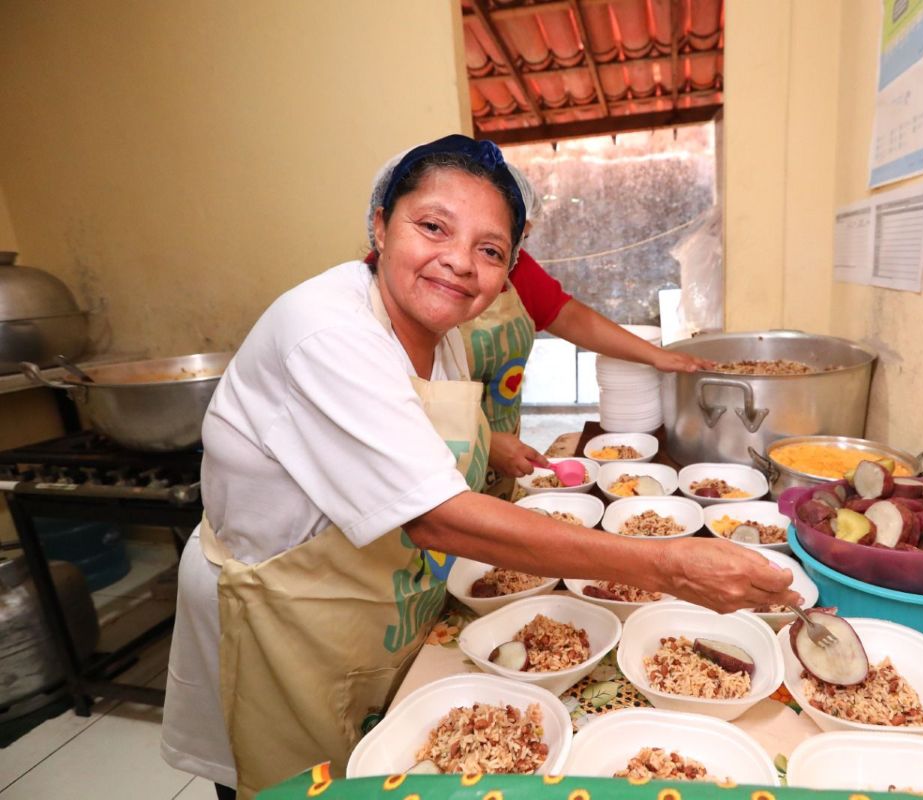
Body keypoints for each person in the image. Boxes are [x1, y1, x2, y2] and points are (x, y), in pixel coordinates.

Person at [160, 135, 797, 799]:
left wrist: (491, 443)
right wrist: (668, 567)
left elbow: (414, 435)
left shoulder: (445, 336)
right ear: (379, 224)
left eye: (489, 250)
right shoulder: (325, 331)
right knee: (294, 783)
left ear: (510, 269)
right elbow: (438, 518)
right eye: (433, 227)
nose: (460, 263)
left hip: (373, 602)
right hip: (280, 616)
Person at [461, 163, 710, 490]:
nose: (513, 254)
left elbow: (571, 317)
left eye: (520, 240)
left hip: (500, 464)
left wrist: (654, 356)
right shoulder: (408, 286)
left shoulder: (516, 267)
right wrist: (483, 441)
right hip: (433, 471)